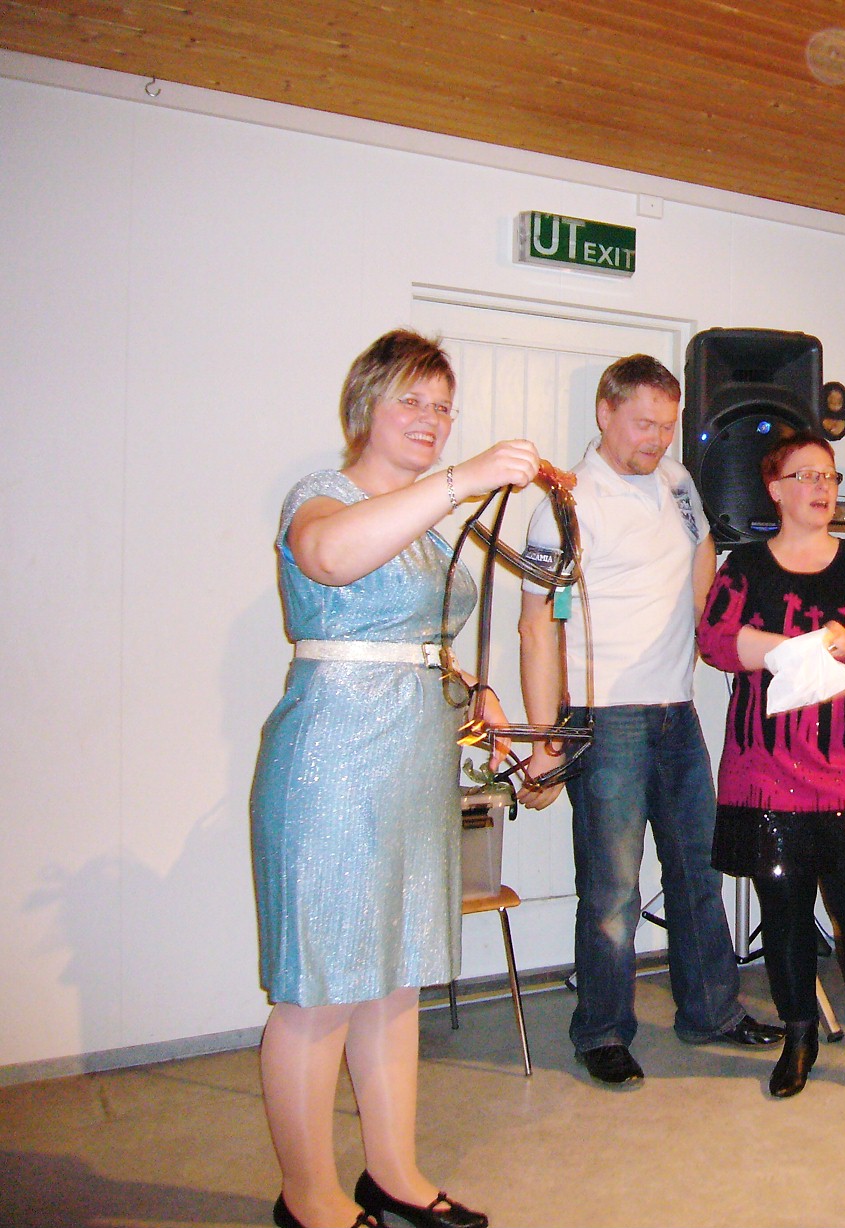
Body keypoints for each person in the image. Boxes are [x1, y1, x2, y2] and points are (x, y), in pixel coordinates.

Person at [251, 330, 548, 1228]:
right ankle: (308, 1199)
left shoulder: (422, 522)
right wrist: (461, 479)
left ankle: (394, 1176)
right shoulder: (324, 495)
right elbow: (329, 560)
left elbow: (411, 639)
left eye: (443, 407)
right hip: (333, 765)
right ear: (365, 406)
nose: (431, 419)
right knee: (320, 992)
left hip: (414, 764)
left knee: (396, 980)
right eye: (412, 401)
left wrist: (470, 690)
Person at [515, 354, 781, 1086]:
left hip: (676, 711)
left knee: (700, 870)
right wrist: (544, 742)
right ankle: (602, 1031)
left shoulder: (678, 480)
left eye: (667, 425)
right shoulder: (562, 505)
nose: (656, 439)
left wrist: (705, 628)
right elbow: (535, 627)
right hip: (605, 719)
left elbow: (702, 548)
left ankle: (712, 1013)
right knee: (613, 892)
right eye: (642, 424)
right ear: (604, 413)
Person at [696, 432, 845, 1099]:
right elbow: (714, 643)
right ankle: (799, 1034)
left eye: (828, 475)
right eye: (805, 475)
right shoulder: (744, 567)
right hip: (768, 771)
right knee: (784, 911)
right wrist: (794, 646)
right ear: (775, 489)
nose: (820, 487)